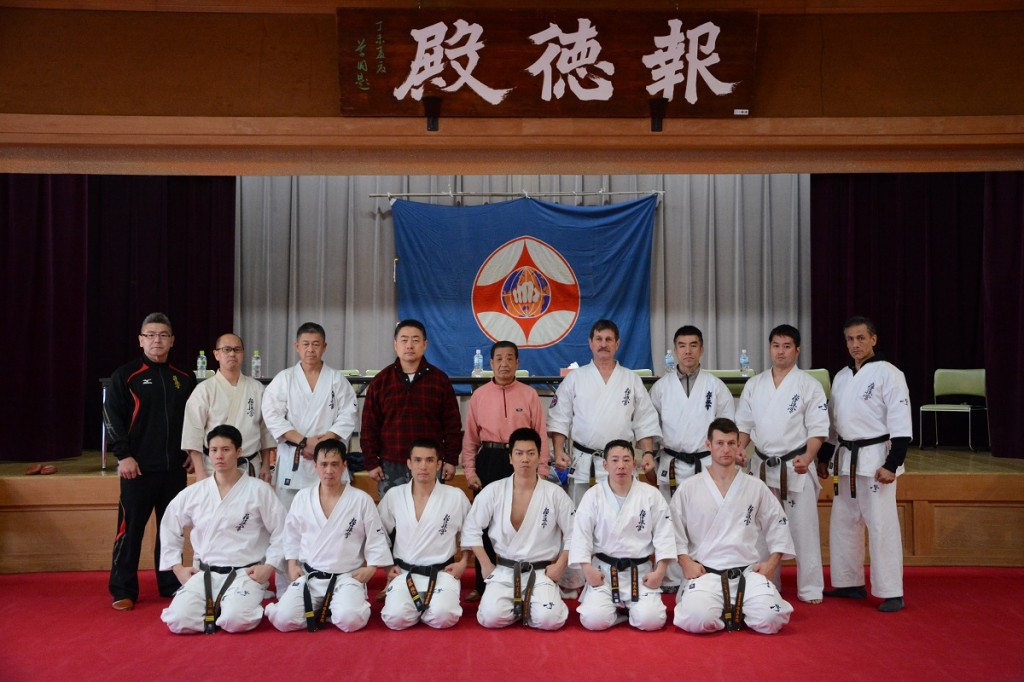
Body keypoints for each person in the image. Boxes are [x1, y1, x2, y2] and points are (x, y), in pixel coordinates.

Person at [817, 316, 911, 613]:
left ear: (873, 339)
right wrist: (824, 457)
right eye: (850, 340)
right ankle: (849, 582)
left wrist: (892, 464)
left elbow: (901, 425)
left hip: (876, 460)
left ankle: (891, 590)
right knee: (844, 522)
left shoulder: (890, 374)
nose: (855, 345)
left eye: (860, 338)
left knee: (882, 525)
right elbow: (834, 424)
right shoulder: (842, 376)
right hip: (845, 460)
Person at [105, 312, 197, 611]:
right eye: (151, 335)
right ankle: (123, 588)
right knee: (130, 530)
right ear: (141, 339)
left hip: (173, 470)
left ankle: (170, 584)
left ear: (171, 341)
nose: (157, 340)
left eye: (163, 335)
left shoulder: (184, 378)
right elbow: (111, 417)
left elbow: (193, 420)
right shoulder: (126, 376)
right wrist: (124, 455)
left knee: (170, 530)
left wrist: (190, 453)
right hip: (138, 469)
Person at [671, 418, 795, 635]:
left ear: (740, 445)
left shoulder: (755, 486)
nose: (725, 449)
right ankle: (728, 609)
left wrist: (771, 564)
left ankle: (731, 608)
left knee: (772, 618)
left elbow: (778, 524)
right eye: (719, 443)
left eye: (731, 443)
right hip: (705, 573)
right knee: (696, 618)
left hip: (747, 572)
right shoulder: (688, 488)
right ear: (708, 445)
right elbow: (672, 531)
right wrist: (685, 562)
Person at [159, 425, 286, 634]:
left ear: (238, 452)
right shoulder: (195, 492)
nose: (219, 456)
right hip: (205, 573)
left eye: (226, 450)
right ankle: (220, 606)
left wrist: (269, 566)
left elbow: (282, 531)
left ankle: (230, 606)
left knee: (237, 621)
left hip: (245, 574)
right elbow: (169, 525)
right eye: (214, 450)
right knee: (178, 620)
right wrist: (177, 568)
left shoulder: (259, 490)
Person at [736, 324, 829, 604]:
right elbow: (744, 425)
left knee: (804, 530)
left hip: (796, 464)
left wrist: (809, 457)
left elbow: (818, 429)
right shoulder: (755, 384)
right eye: (776, 345)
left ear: (797, 350)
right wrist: (740, 448)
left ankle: (811, 588)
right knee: (761, 530)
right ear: (769, 348)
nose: (780, 351)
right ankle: (766, 583)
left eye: (787, 346)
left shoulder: (809, 385)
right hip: (762, 466)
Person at [266, 439, 392, 633]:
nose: (329, 470)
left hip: (347, 576)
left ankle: (338, 607)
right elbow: (291, 536)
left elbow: (376, 538)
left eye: (335, 464)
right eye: (323, 464)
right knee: (284, 620)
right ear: (315, 466)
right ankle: (330, 609)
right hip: (311, 576)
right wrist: (292, 564)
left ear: (344, 466)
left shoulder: (361, 500)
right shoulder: (302, 498)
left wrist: (372, 568)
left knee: (351, 621)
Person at [461, 340, 549, 602]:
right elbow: (470, 440)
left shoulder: (529, 394)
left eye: (510, 358)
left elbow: (541, 434)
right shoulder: (479, 395)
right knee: (485, 523)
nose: (504, 363)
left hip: (522, 461)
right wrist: (469, 470)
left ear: (517, 363)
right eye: (499, 358)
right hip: (489, 459)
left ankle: (529, 579)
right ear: (490, 363)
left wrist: (542, 469)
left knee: (524, 519)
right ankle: (483, 582)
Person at [648, 325, 735, 591]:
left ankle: (706, 572)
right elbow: (650, 428)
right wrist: (650, 457)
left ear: (702, 349)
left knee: (706, 520)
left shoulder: (716, 386)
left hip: (706, 463)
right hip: (672, 464)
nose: (688, 351)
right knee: (670, 522)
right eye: (682, 346)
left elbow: (728, 426)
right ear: (674, 350)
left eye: (693, 345)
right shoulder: (661, 387)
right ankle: (673, 578)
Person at [462, 427, 575, 630]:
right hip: (505, 570)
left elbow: (574, 534)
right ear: (510, 458)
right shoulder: (493, 491)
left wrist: (559, 566)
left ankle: (534, 604)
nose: (525, 459)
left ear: (539, 457)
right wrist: (486, 564)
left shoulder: (555, 494)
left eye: (531, 453)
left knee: (550, 621)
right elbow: (471, 528)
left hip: (541, 571)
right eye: (519, 453)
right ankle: (524, 607)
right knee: (490, 618)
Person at [547, 319, 661, 507]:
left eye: (609, 340)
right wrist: (559, 451)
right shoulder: (575, 378)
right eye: (598, 339)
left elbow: (645, 420)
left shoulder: (631, 379)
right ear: (590, 343)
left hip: (620, 463)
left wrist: (648, 453)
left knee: (624, 515)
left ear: (617, 344)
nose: (603, 344)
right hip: (585, 463)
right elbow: (559, 418)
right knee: (582, 517)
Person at [570, 440, 675, 631]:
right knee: (593, 620)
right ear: (605, 465)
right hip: (604, 573)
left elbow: (664, 535)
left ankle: (629, 610)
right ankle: (621, 612)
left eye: (626, 460)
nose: (621, 466)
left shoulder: (651, 495)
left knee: (652, 621)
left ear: (634, 464)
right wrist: (588, 571)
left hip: (640, 572)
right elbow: (580, 536)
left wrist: (659, 572)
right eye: (615, 460)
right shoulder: (593, 496)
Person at [361, 319, 463, 497]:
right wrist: (371, 462)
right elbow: (369, 427)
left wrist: (451, 460)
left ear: (425, 344)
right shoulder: (381, 381)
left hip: (429, 463)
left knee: (431, 516)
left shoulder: (439, 380)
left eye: (415, 340)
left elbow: (452, 426)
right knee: (392, 520)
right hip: (391, 464)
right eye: (404, 340)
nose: (409, 345)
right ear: (395, 345)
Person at [378, 439, 472, 630]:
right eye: (418, 460)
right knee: (394, 619)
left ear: (438, 464)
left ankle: (426, 608)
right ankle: (417, 608)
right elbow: (377, 535)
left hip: (442, 572)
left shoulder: (455, 496)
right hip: (404, 572)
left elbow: (471, 534)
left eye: (430, 460)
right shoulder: (394, 495)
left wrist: (463, 563)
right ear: (409, 463)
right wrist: (387, 567)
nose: (423, 466)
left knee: (444, 617)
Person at [261, 322, 357, 509]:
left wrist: (320, 446)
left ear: (324, 347)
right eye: (305, 344)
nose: (310, 349)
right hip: (294, 457)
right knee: (290, 520)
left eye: (316, 344)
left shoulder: (337, 380)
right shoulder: (284, 379)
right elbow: (272, 416)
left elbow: (348, 415)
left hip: (328, 458)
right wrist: (304, 442)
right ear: (297, 346)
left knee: (332, 514)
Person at [181, 332, 276, 481]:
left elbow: (265, 430)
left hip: (249, 465)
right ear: (216, 354)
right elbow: (193, 433)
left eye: (237, 350)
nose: (232, 353)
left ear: (243, 354)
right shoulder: (204, 390)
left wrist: (265, 465)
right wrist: (200, 471)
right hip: (213, 466)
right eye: (226, 349)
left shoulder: (257, 389)